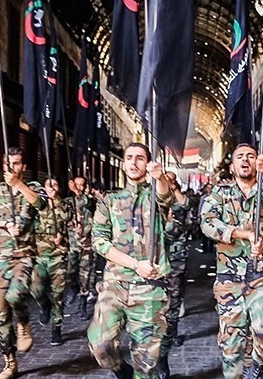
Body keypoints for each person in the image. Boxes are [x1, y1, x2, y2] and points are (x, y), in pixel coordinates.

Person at [87, 143, 173, 379]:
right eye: (130, 158)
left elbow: (166, 198)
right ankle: (120, 370)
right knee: (100, 345)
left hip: (149, 288)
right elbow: (99, 241)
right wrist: (135, 264)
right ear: (123, 164)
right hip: (115, 284)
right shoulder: (109, 200)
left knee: (146, 364)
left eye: (140, 158)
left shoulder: (155, 196)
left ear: (148, 163)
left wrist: (160, 177)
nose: (134, 162)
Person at [201, 143, 263, 379]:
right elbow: (207, 223)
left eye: (251, 156)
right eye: (240, 157)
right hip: (229, 276)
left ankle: (259, 363)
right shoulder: (220, 193)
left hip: (261, 272)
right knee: (232, 345)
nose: (246, 160)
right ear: (232, 166)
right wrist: (243, 234)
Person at [0, 147, 43, 379]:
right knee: (0, 312)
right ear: (3, 165)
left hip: (24, 255)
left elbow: (40, 204)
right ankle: (9, 361)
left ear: (23, 166)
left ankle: (24, 323)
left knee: (16, 295)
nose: (12, 167)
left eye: (17, 163)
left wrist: (18, 184)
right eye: (9, 163)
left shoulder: (32, 187)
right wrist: (3, 225)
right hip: (1, 257)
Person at [31, 177, 71, 346]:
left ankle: (56, 327)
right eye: (49, 185)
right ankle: (44, 304)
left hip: (58, 255)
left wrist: (61, 238)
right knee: (35, 287)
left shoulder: (64, 204)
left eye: (55, 184)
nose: (52, 188)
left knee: (58, 294)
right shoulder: (38, 205)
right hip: (39, 256)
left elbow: (67, 217)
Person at [160, 171, 190, 374]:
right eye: (165, 179)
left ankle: (174, 331)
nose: (168, 181)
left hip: (176, 257)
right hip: (155, 259)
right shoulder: (155, 197)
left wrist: (173, 189)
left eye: (171, 179)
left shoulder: (178, 200)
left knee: (175, 298)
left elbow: (186, 206)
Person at [65, 176, 95, 319]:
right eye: (76, 185)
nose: (79, 188)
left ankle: (82, 305)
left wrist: (77, 192)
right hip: (72, 244)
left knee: (85, 275)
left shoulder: (90, 201)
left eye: (81, 185)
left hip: (86, 245)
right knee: (70, 272)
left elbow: (86, 203)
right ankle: (73, 288)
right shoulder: (68, 202)